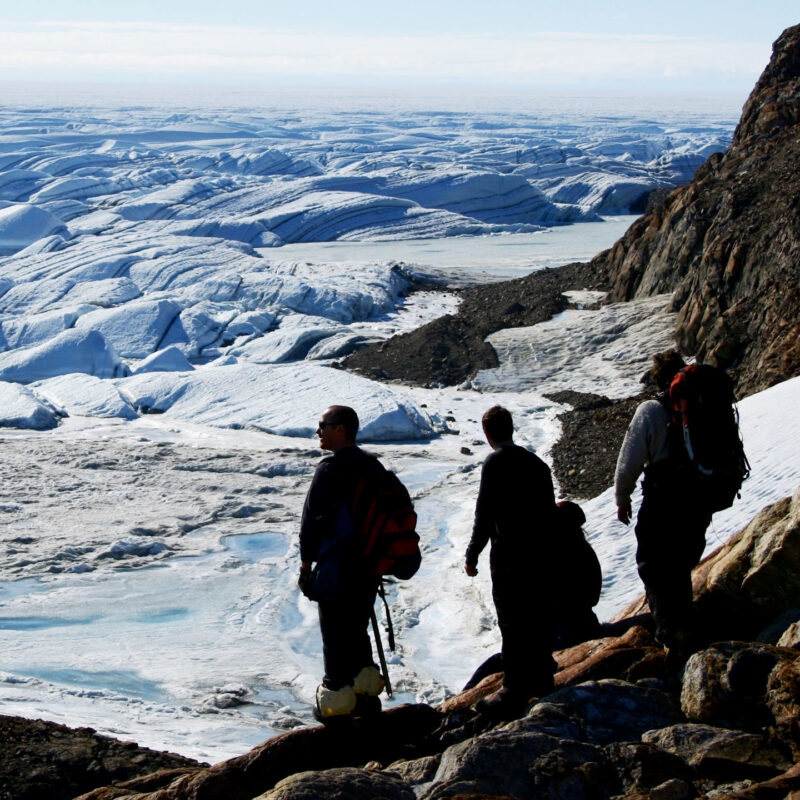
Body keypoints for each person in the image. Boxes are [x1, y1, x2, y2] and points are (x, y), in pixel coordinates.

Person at [464, 405, 559, 720]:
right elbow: (549, 514)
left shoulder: (494, 463)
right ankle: (544, 677)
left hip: (508, 554)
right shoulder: (537, 464)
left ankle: (514, 686)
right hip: (541, 552)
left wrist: (472, 553)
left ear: (488, 433)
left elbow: (485, 513)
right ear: (511, 429)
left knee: (512, 618)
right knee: (537, 612)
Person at [614, 349, 711, 652]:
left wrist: (622, 497)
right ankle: (685, 624)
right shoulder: (702, 404)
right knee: (681, 561)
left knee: (654, 566)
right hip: (699, 498)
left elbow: (629, 460)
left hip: (663, 499)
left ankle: (672, 639)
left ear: (656, 378)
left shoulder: (651, 410)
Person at [298, 405, 386, 721]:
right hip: (370, 567)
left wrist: (306, 567)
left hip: (338, 566)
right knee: (357, 630)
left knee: (335, 635)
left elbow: (312, 523)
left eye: (324, 425)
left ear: (341, 429)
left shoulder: (330, 471)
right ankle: (365, 695)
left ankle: (335, 704)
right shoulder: (373, 467)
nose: (319, 430)